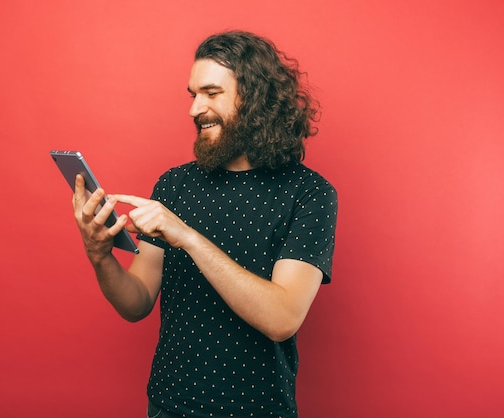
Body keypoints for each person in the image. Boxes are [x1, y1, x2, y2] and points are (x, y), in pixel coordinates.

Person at [72, 31, 337, 418]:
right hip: (167, 407)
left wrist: (188, 238)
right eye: (193, 95)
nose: (195, 109)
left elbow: (282, 319)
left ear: (255, 99)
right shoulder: (174, 184)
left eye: (211, 93)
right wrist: (99, 254)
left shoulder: (309, 193)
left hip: (258, 411)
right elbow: (136, 302)